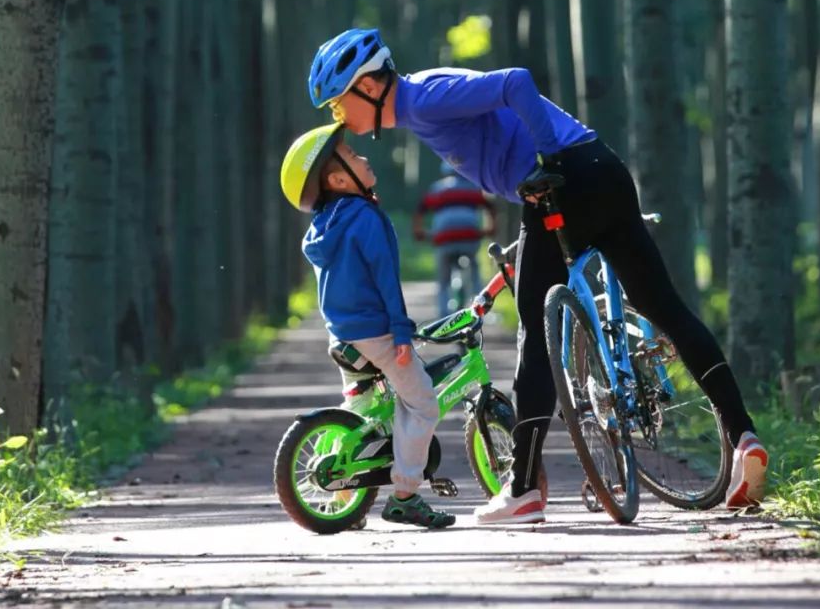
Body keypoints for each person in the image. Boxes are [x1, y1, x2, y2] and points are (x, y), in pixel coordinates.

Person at [307, 27, 769, 527]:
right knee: (666, 307)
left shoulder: (423, 98)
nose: (340, 119)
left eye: (337, 104)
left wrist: (547, 159)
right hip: (602, 168)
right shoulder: (423, 103)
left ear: (369, 88)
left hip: (559, 184)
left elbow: (515, 82)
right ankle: (743, 436)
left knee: (535, 338)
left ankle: (523, 488)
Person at [279, 124, 455, 530]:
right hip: (376, 334)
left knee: (362, 413)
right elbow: (384, 280)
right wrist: (402, 331)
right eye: (354, 156)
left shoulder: (324, 224)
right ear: (339, 179)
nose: (364, 158)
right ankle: (407, 495)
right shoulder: (365, 218)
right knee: (423, 402)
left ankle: (346, 499)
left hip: (342, 336)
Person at [413, 160, 495, 318]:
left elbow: (420, 210)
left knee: (443, 280)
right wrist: (491, 228)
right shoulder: (473, 188)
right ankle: (480, 308)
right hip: (469, 237)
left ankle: (444, 316)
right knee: (474, 272)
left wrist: (419, 231)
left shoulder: (437, 188)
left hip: (444, 239)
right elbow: (490, 208)